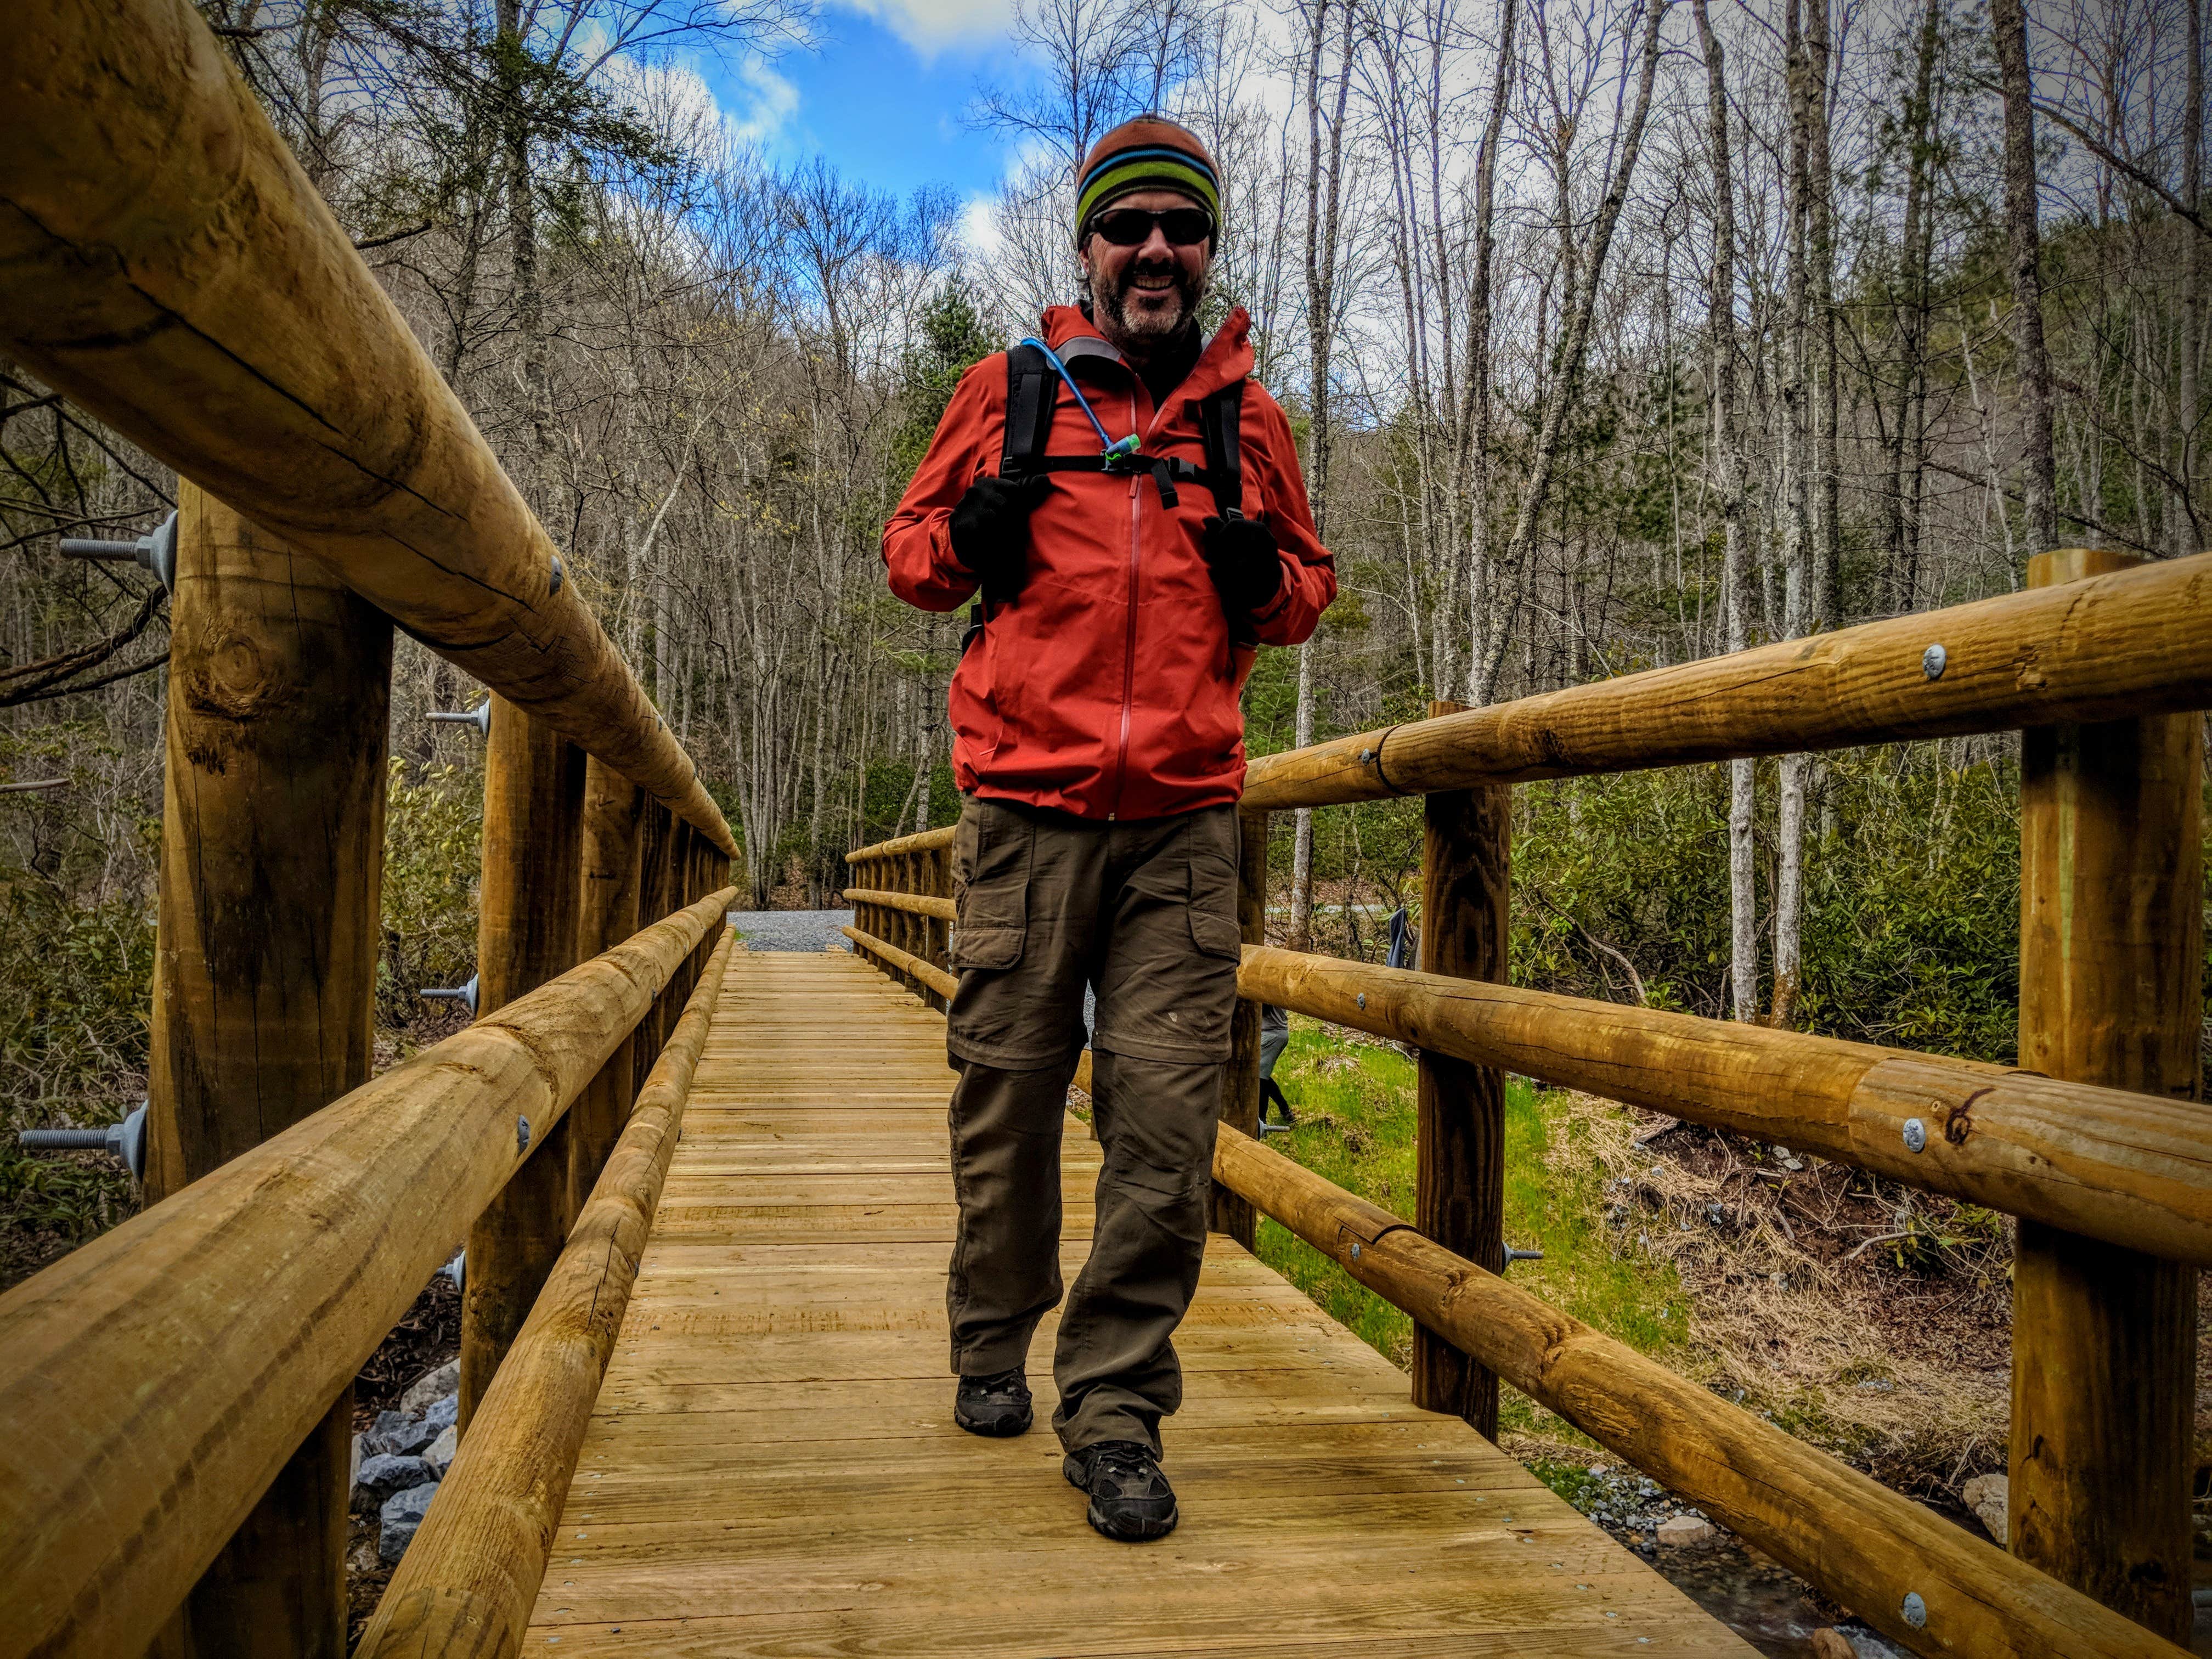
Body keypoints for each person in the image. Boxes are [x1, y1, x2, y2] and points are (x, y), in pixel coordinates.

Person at [881, 114, 1336, 1542]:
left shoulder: (1247, 421)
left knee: (1166, 1123)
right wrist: (977, 534)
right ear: (1087, 245)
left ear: (1207, 251)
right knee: (1007, 1094)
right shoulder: (1006, 389)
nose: (1154, 251)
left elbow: (1307, 591)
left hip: (1185, 826)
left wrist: (1263, 578)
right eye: (1128, 227)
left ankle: (1117, 1407)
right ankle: (989, 1333)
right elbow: (909, 558)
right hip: (1027, 812)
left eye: (1180, 230)